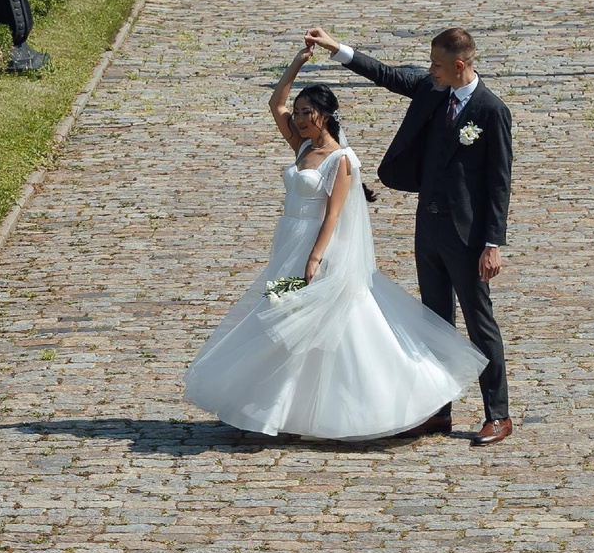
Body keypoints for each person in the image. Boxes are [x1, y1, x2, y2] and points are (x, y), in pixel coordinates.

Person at [183, 40, 486, 441]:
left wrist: (315, 259)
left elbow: (335, 214)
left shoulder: (340, 160)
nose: (300, 117)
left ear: (325, 116)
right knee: (285, 320)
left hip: (318, 250)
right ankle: (286, 413)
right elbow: (276, 104)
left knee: (317, 326)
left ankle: (378, 400)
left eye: (308, 112)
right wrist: (296, 64)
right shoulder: (302, 145)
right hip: (288, 243)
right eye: (301, 112)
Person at [301, 24, 513, 445]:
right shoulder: (434, 90)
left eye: (436, 64)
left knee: (478, 321)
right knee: (433, 321)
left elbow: (498, 182)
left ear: (458, 65)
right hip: (428, 225)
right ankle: (437, 410)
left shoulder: (491, 111)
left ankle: (498, 414)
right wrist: (336, 48)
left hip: (467, 236)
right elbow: (388, 74)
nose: (428, 70)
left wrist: (493, 244)